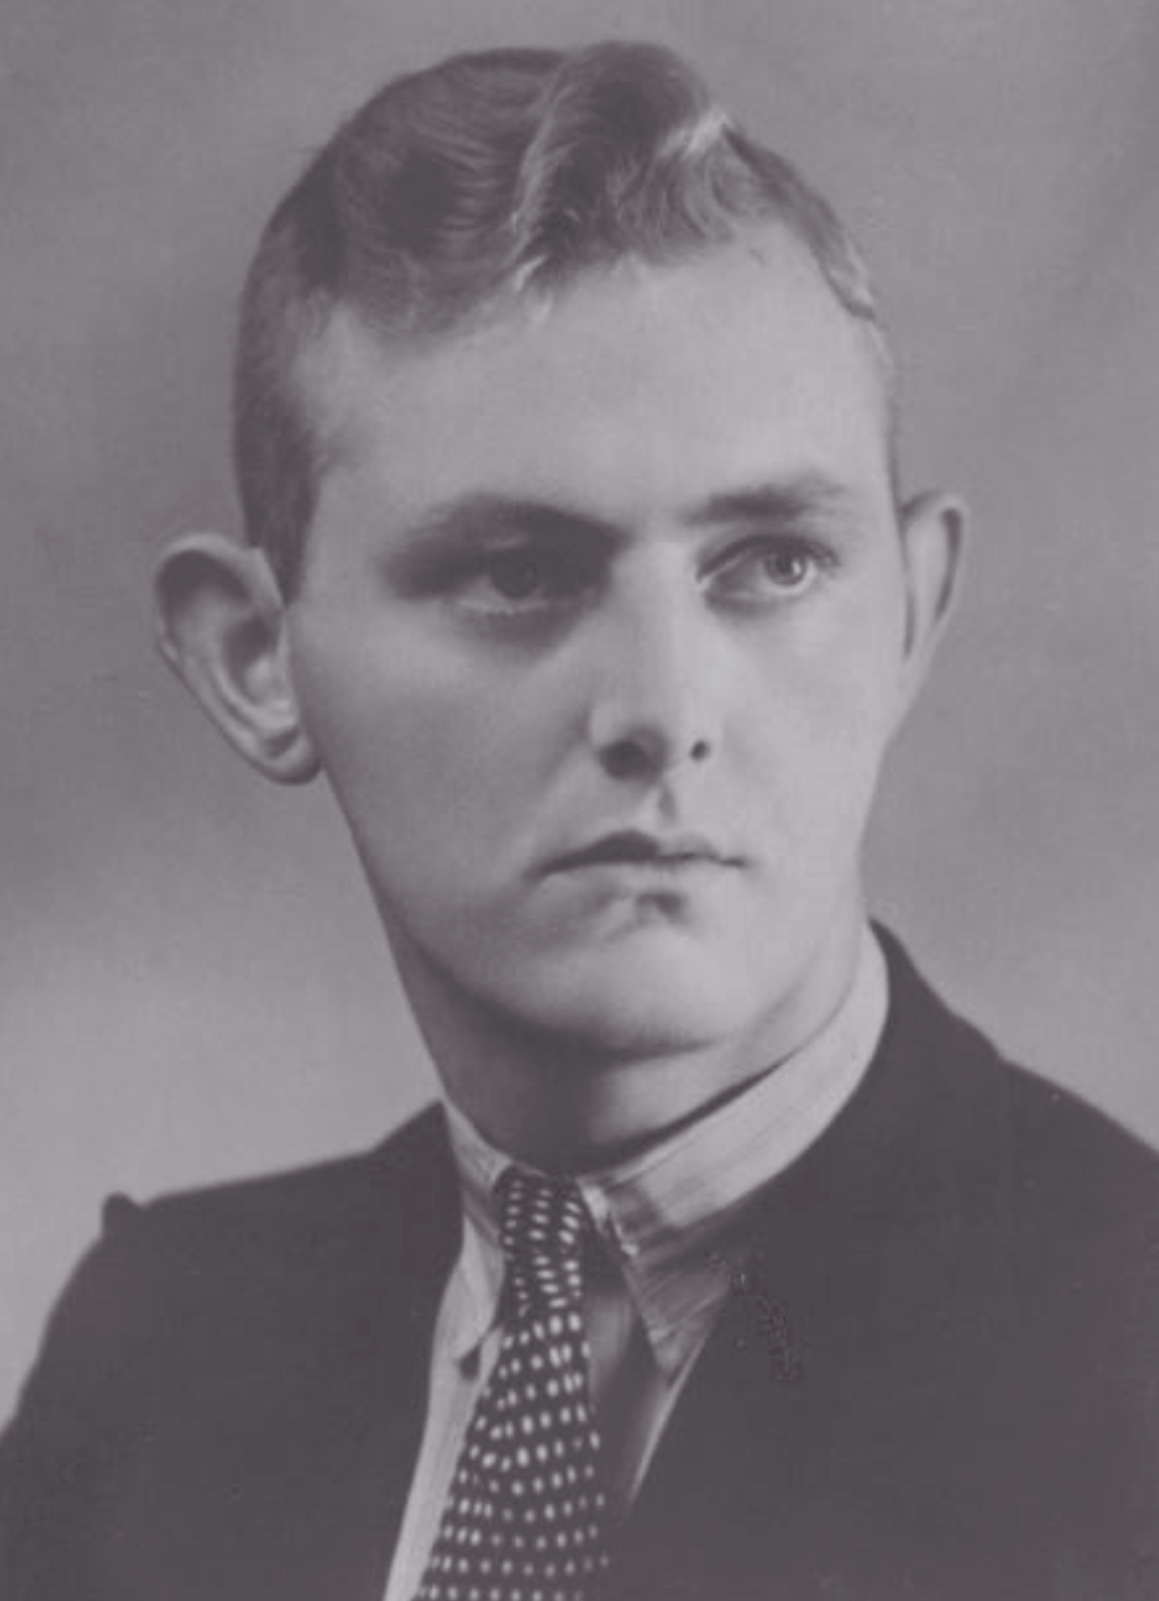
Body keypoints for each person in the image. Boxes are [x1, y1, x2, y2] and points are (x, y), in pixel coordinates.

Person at [1, 39, 1156, 1601]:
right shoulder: (156, 1351)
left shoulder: (1130, 1362)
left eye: (774, 562)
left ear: (910, 609)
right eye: (519, 573)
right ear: (257, 660)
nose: (665, 708)